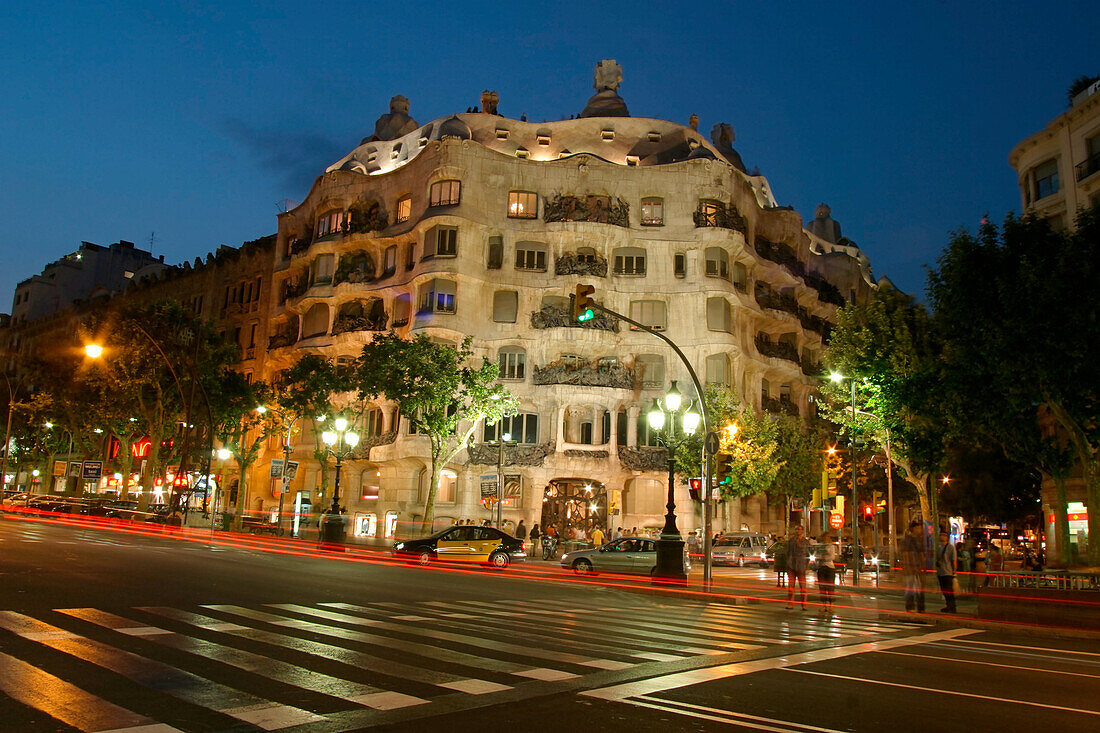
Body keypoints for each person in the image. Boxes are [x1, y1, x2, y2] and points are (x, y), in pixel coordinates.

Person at [900, 520, 926, 613]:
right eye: (918, 527)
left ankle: (920, 607)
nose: (920, 529)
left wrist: (922, 566)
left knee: (918, 589)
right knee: (910, 588)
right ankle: (910, 607)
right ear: (913, 528)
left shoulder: (919, 540)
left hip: (917, 568)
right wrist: (910, 567)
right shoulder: (908, 540)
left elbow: (922, 554)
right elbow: (906, 555)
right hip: (911, 568)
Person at [786, 525, 810, 610]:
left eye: (799, 529)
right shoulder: (791, 541)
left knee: (803, 587)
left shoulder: (805, 542)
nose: (797, 531)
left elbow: (808, 554)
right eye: (796, 529)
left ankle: (804, 604)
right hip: (791, 565)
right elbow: (788, 552)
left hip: (801, 566)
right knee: (791, 586)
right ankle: (790, 603)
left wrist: (806, 565)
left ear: (802, 531)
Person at [936, 530, 957, 613]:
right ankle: (948, 605)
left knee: (949, 590)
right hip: (941, 572)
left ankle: (952, 606)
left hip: (948, 572)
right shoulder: (939, 548)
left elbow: (953, 560)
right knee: (944, 590)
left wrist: (954, 571)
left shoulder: (951, 547)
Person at [817, 531, 838, 615]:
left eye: (828, 537)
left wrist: (825, 556)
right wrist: (821, 557)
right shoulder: (819, 547)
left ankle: (831, 605)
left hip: (829, 568)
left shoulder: (831, 547)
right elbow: (817, 556)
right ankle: (823, 605)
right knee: (822, 587)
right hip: (821, 568)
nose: (826, 539)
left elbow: (832, 557)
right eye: (825, 537)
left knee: (830, 587)